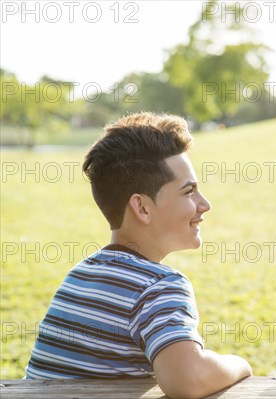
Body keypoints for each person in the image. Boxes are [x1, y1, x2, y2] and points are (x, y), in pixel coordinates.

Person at [25, 112, 252, 398]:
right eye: (189, 192)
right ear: (142, 208)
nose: (204, 204)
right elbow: (188, 379)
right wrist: (239, 364)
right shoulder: (158, 285)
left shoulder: (80, 274)